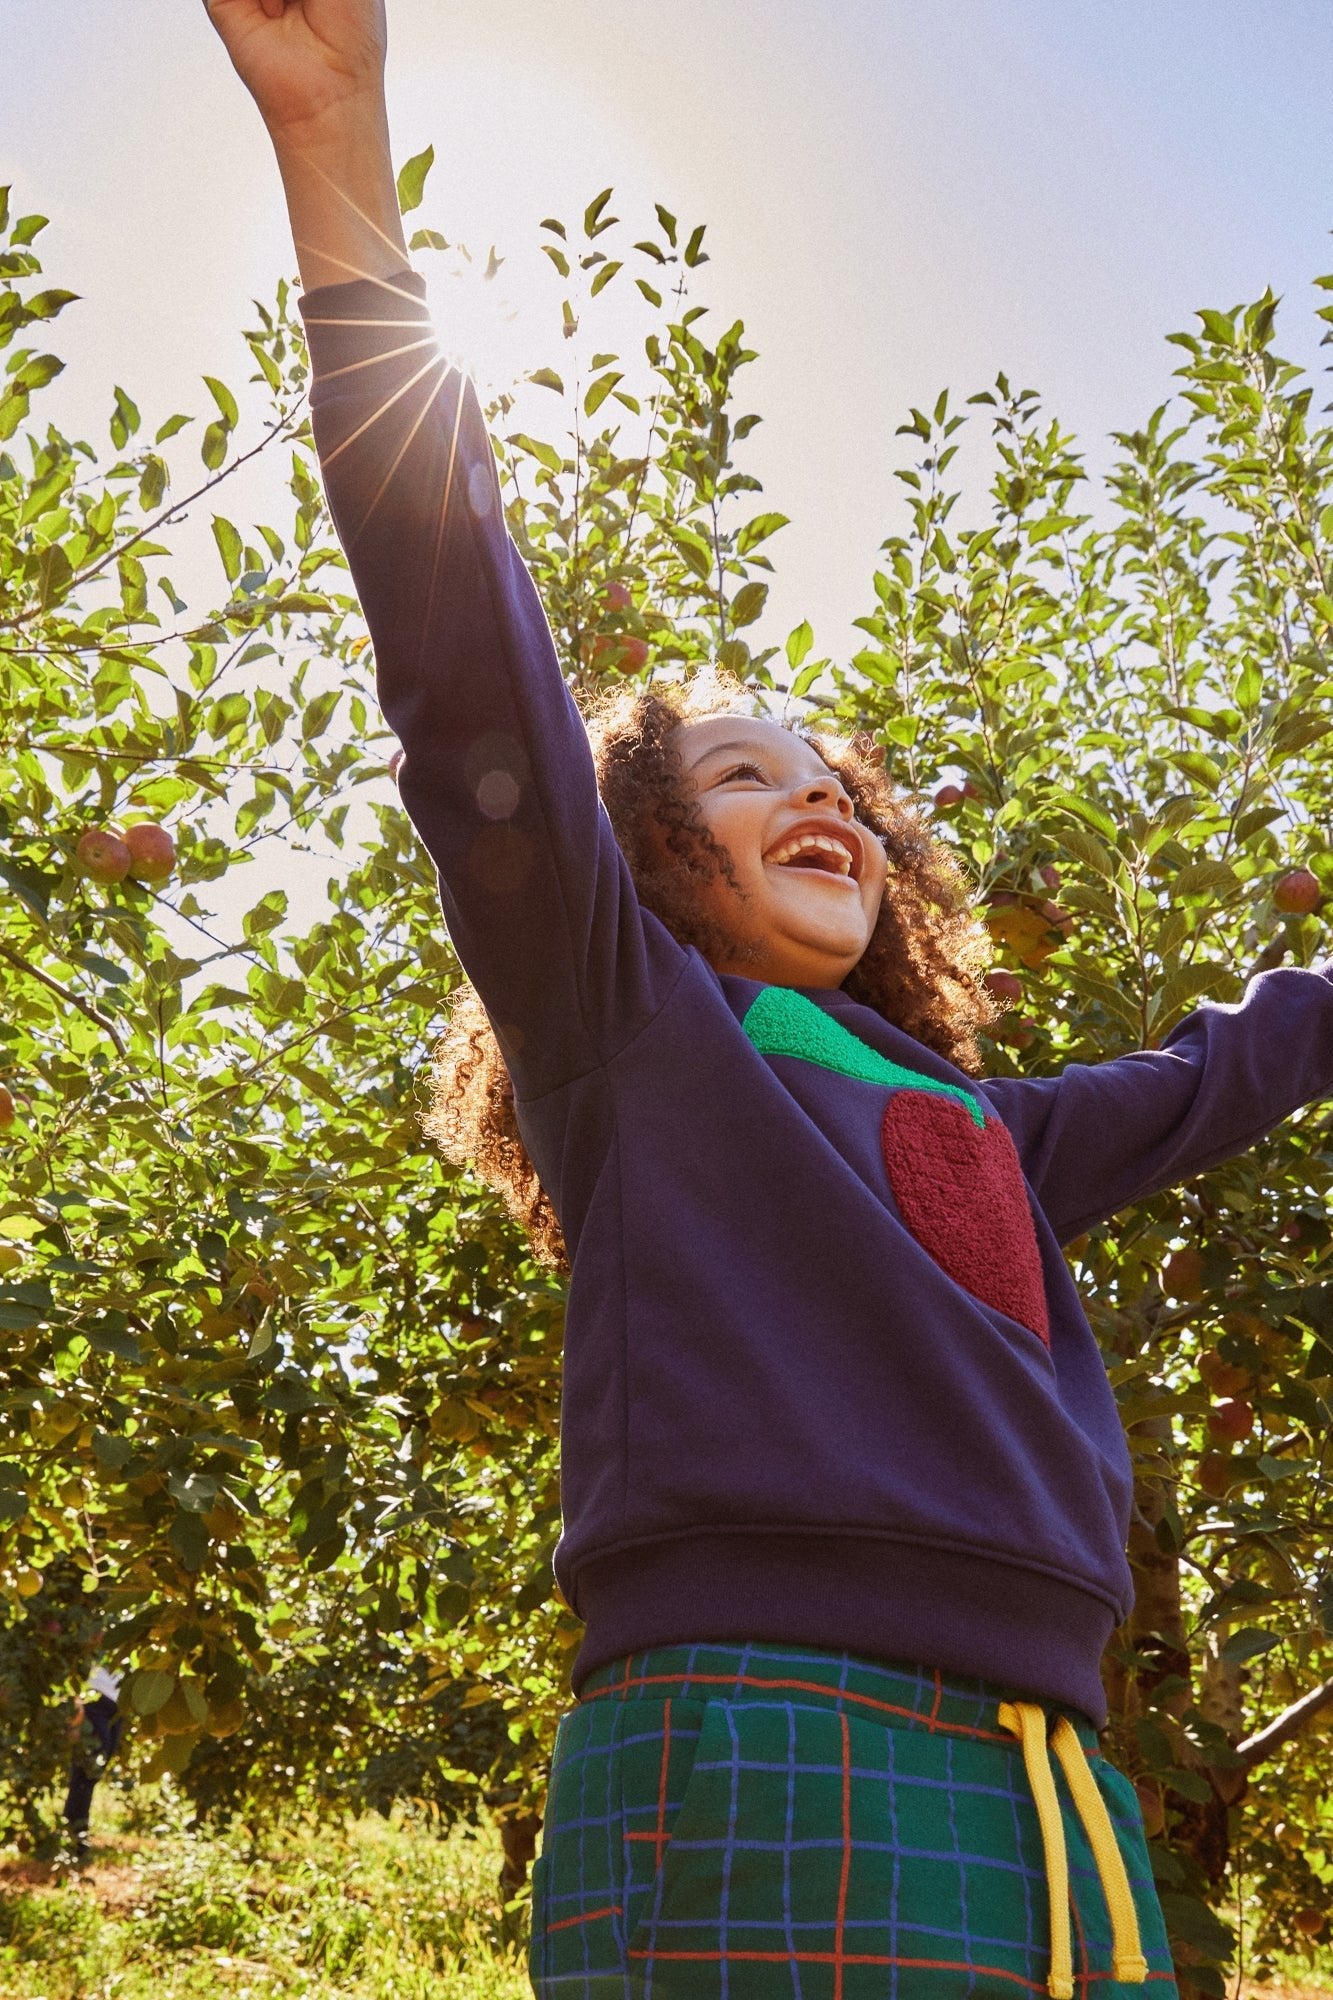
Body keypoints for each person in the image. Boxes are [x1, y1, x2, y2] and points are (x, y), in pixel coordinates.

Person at [205, 5, 1333, 1994]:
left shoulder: (975, 1120)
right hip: (779, 1731)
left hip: (1053, 1786)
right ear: (645, 848)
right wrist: (340, 158)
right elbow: (466, 659)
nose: (812, 787)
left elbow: (1240, 1057)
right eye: (740, 767)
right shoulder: (638, 1032)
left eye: (838, 777)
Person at [64, 1661, 123, 1862]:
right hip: (95, 1699)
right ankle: (76, 1838)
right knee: (87, 1771)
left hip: (118, 1704)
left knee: (94, 1772)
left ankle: (75, 1835)